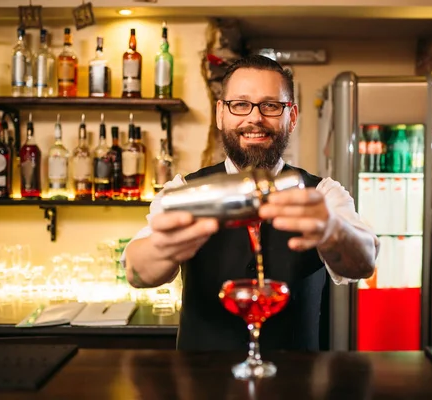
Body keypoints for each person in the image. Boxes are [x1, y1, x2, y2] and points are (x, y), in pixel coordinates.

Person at [123, 55, 378, 351]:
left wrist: (333, 230)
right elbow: (136, 272)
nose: (254, 118)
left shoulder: (323, 193)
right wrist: (161, 248)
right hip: (201, 382)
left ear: (291, 116)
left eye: (270, 105)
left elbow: (364, 262)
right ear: (221, 113)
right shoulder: (184, 190)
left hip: (295, 383)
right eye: (240, 105)